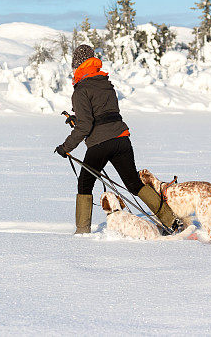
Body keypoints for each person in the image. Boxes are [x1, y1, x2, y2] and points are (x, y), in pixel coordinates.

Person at [55, 44, 182, 234]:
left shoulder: (80, 90)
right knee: (134, 183)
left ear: (78, 65)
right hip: (122, 139)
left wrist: (66, 147)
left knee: (85, 184)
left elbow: (86, 126)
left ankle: (82, 231)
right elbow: (102, 114)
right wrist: (79, 119)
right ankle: (171, 221)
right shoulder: (106, 84)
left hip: (100, 143)